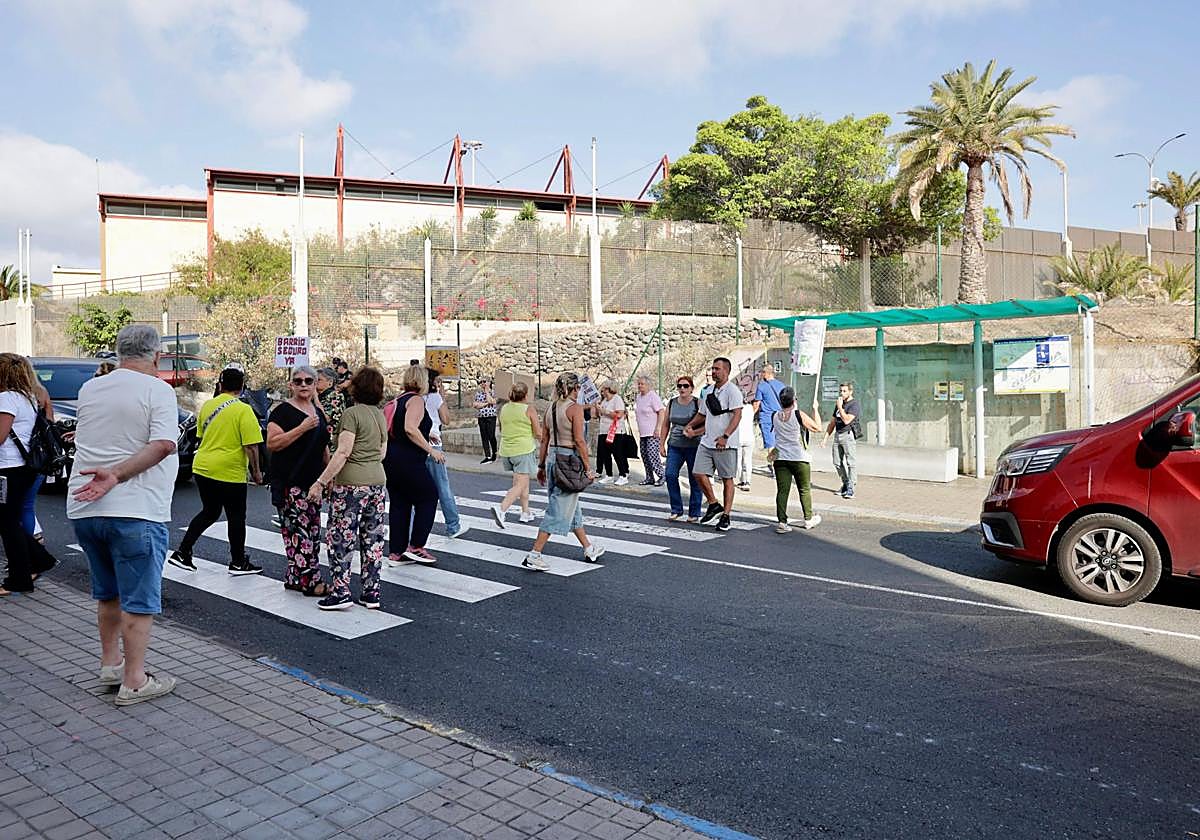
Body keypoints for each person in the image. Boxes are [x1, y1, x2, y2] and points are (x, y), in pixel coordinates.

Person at [66, 325, 179, 705]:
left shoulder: (91, 387)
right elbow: (163, 444)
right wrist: (116, 475)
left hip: (84, 508)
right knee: (139, 599)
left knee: (108, 592)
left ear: (117, 354)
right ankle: (134, 680)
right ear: (157, 357)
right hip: (136, 508)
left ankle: (111, 664)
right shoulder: (157, 389)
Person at [169, 365, 264, 575]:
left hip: (203, 466)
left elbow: (201, 435)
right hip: (229, 470)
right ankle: (238, 561)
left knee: (210, 511)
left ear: (220, 385)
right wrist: (256, 472)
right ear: (242, 387)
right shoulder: (243, 409)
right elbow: (251, 445)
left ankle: (183, 552)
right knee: (236, 516)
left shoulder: (208, 406)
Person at [307, 367, 388, 610]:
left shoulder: (351, 415)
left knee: (341, 537)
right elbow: (382, 452)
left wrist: (321, 482)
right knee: (372, 539)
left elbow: (343, 452)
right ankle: (371, 592)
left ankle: (341, 591)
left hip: (350, 484)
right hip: (377, 482)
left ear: (356, 388)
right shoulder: (380, 415)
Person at [522, 372, 604, 571]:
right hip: (569, 459)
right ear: (575, 388)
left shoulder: (550, 408)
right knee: (558, 509)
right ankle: (534, 554)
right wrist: (588, 468)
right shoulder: (574, 409)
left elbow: (544, 439)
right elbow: (579, 440)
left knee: (571, 507)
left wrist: (541, 466)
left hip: (553, 460)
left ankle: (588, 547)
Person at [266, 365, 330, 597]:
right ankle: (310, 582)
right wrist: (301, 429)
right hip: (290, 483)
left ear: (315, 385)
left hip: (313, 484)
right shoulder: (282, 412)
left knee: (311, 532)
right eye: (298, 381)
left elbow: (323, 445)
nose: (303, 385)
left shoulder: (317, 411)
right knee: (300, 535)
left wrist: (327, 477)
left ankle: (295, 577)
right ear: (290, 385)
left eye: (309, 381)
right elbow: (273, 444)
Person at [0, 354, 58, 596]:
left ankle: (20, 578)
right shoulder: (26, 398)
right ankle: (38, 560)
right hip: (23, 468)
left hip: (8, 469)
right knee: (9, 520)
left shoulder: (6, 399)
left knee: (7, 523)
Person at [386, 364, 443, 564]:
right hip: (409, 460)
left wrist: (429, 435)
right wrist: (431, 450)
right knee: (429, 496)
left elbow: (399, 429)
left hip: (391, 459)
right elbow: (410, 428)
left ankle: (396, 552)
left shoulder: (398, 400)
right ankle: (417, 546)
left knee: (400, 504)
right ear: (422, 380)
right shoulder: (416, 400)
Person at [683, 357, 742, 533]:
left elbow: (737, 415)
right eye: (713, 368)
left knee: (727, 479)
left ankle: (726, 515)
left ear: (726, 371)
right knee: (698, 472)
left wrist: (725, 436)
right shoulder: (708, 390)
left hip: (725, 443)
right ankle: (714, 504)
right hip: (707, 441)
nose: (713, 371)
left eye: (717, 369)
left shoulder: (733, 391)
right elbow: (703, 414)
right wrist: (691, 425)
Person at [772, 387, 823, 533]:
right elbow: (817, 427)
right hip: (799, 458)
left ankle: (782, 522)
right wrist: (815, 409)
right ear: (794, 400)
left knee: (782, 491)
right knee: (804, 489)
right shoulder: (798, 414)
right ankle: (808, 519)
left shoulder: (775, 415)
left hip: (781, 458)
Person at [492, 381, 542, 526]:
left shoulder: (504, 408)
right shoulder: (529, 409)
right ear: (526, 395)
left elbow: (501, 428)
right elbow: (538, 433)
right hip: (524, 450)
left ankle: (525, 512)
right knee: (521, 484)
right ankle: (501, 508)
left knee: (521, 481)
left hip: (507, 450)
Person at [661, 375, 702, 523]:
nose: (682, 389)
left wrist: (696, 433)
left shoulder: (697, 403)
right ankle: (676, 509)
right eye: (679, 386)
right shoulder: (672, 403)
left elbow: (706, 422)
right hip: (675, 444)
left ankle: (694, 511)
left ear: (691, 388)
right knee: (670, 475)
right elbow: (666, 424)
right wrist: (662, 443)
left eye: (685, 386)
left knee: (695, 479)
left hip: (693, 445)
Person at [22, 363, 53, 540]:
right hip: (38, 456)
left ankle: (29, 548)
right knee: (27, 504)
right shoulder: (41, 393)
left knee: (16, 505)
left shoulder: (8, 397)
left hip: (16, 458)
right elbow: (49, 423)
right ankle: (33, 540)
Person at [824, 380, 862, 499]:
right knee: (837, 462)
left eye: (844, 391)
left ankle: (851, 487)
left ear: (850, 392)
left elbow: (846, 420)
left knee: (851, 462)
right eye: (840, 391)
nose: (842, 393)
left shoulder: (854, 405)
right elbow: (833, 422)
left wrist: (840, 407)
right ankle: (845, 483)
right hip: (837, 435)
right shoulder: (839, 404)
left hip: (848, 435)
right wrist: (825, 438)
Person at [594, 381, 631, 486]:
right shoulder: (604, 401)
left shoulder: (617, 399)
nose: (602, 391)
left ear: (609, 389)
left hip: (615, 431)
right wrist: (598, 409)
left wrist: (605, 411)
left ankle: (623, 475)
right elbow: (599, 415)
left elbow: (619, 414)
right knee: (605, 453)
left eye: (604, 389)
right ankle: (609, 475)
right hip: (604, 430)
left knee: (617, 454)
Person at [633, 375, 666, 486]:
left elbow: (661, 411)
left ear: (648, 385)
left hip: (652, 431)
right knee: (644, 454)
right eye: (639, 384)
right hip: (643, 432)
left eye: (642, 384)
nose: (640, 386)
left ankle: (662, 475)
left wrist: (658, 427)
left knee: (652, 454)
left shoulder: (653, 396)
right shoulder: (638, 397)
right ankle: (649, 477)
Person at [754, 363, 785, 476]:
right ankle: (780, 465)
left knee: (770, 443)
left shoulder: (762, 386)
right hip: (780, 417)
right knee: (779, 441)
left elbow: (756, 404)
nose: (761, 374)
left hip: (767, 418)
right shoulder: (781, 385)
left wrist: (749, 417)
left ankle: (774, 466)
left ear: (766, 373)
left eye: (762, 372)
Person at [316, 367, 347, 454]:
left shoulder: (336, 397)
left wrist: (315, 398)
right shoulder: (317, 397)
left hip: (330, 442)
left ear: (330, 383)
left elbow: (327, 419)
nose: (315, 382)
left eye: (319, 380)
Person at [474, 376, 498, 463]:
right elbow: (475, 405)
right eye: (481, 382)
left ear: (489, 382)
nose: (482, 384)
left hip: (491, 417)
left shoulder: (494, 392)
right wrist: (486, 404)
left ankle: (494, 452)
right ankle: (487, 456)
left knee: (491, 435)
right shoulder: (478, 393)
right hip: (481, 417)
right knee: (484, 436)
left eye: (484, 381)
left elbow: (492, 401)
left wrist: (487, 392)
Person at [735, 393, 756, 491]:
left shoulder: (736, 409)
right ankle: (748, 481)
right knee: (748, 460)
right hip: (750, 437)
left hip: (738, 437)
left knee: (738, 460)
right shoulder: (750, 408)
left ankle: (741, 480)